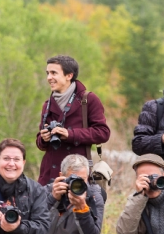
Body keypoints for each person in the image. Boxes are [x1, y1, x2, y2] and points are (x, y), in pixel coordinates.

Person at [36, 55, 110, 186]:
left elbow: (103, 133)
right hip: (49, 177)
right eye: (47, 73)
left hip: (77, 174)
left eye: (54, 73)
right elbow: (40, 144)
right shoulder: (46, 104)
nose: (49, 78)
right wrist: (44, 138)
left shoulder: (88, 100)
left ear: (69, 75)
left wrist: (70, 134)